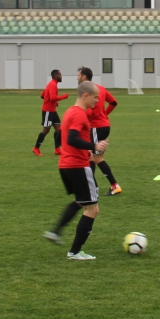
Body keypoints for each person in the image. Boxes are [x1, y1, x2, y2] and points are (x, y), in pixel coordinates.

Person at [44, 80, 109, 260]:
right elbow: (72, 139)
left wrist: (87, 151)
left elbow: (65, 138)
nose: (98, 101)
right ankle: (74, 252)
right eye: (95, 97)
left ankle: (55, 231)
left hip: (66, 165)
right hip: (78, 166)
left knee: (81, 201)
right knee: (92, 209)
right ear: (86, 96)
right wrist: (94, 146)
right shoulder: (80, 114)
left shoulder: (70, 112)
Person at [78, 66, 121, 195]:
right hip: (105, 125)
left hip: (96, 127)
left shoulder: (87, 91)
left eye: (78, 75)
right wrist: (105, 114)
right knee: (92, 157)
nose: (77, 78)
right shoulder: (100, 88)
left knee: (95, 157)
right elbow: (114, 102)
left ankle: (114, 185)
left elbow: (89, 112)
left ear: (84, 77)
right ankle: (93, 187)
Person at [34, 69, 69, 156]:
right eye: (60, 75)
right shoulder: (52, 84)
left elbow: (42, 95)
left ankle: (57, 149)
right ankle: (36, 148)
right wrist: (64, 97)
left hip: (53, 111)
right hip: (48, 111)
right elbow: (52, 97)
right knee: (46, 130)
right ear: (56, 75)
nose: (61, 76)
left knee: (58, 128)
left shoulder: (51, 84)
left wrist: (54, 102)